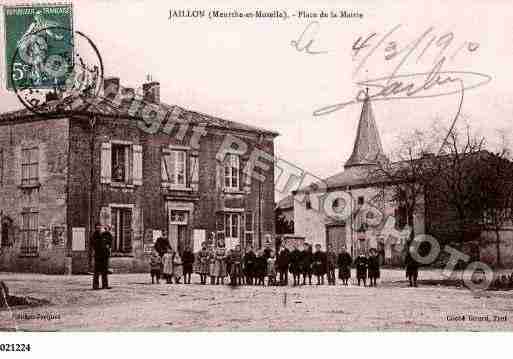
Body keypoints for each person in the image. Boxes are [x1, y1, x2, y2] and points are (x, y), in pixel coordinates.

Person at [91, 223, 112, 290]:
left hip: (105, 255)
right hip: (98, 255)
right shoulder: (95, 235)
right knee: (97, 271)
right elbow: (94, 244)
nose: (99, 228)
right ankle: (95, 286)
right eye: (97, 227)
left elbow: (109, 241)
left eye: (100, 227)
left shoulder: (105, 234)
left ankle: (105, 285)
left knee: (105, 271)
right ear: (95, 228)